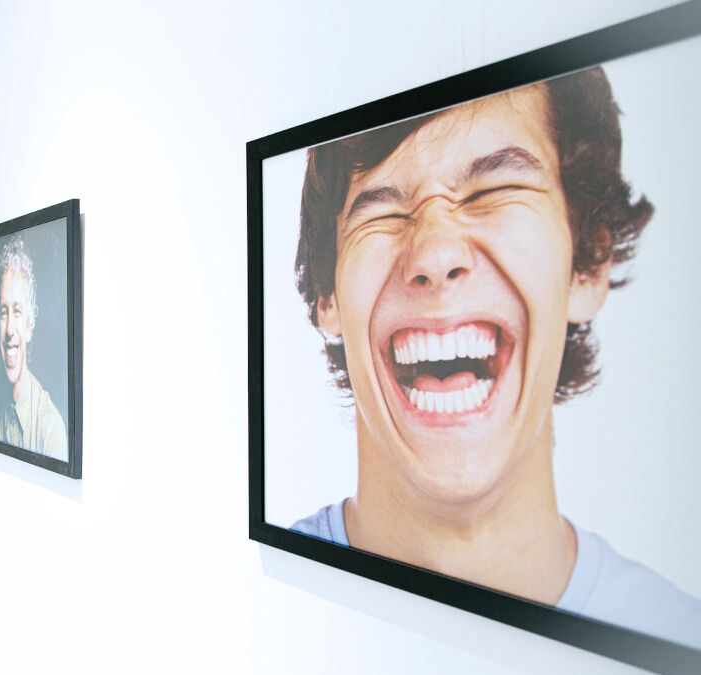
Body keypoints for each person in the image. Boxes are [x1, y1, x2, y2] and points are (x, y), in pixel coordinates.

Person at [289, 66, 701, 648]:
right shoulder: (250, 611)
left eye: (492, 191)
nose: (434, 253)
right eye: (381, 210)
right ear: (328, 298)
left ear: (587, 264)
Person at [0, 235, 68, 460]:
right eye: (4, 311)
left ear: (30, 326)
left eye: (17, 311)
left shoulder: (51, 429)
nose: (10, 328)